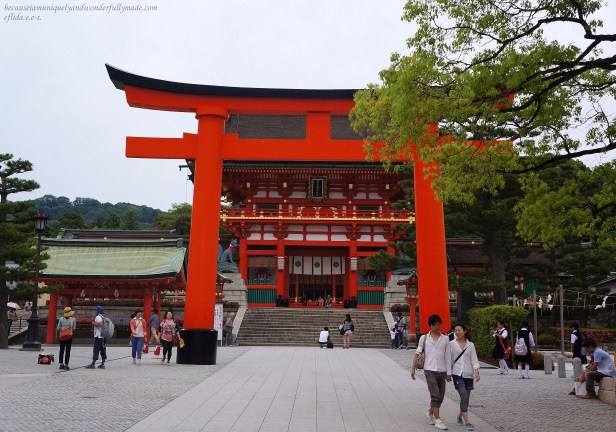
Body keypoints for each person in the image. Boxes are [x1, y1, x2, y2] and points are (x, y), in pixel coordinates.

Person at [412, 314, 452, 431]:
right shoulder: (424, 338)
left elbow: (448, 356)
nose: (437, 327)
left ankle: (430, 412)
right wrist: (413, 368)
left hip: (442, 370)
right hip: (429, 369)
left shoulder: (445, 339)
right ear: (430, 325)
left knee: (441, 396)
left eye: (438, 325)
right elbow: (418, 352)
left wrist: (448, 372)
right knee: (435, 395)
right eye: (434, 325)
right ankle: (438, 420)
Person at [450, 324, 480, 431]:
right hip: (457, 373)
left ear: (464, 331)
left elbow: (474, 359)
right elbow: (449, 359)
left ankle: (459, 416)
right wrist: (448, 373)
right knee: (463, 395)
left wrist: (476, 371)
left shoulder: (470, 345)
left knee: (466, 397)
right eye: (455, 330)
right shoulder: (452, 344)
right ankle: (467, 421)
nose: (457, 332)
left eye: (459, 330)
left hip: (468, 373)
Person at [56, 306, 77, 371]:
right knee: (68, 350)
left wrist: (63, 329)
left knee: (61, 350)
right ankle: (66, 365)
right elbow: (73, 328)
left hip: (62, 336)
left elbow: (58, 328)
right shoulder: (73, 319)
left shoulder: (61, 319)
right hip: (69, 336)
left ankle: (61, 364)